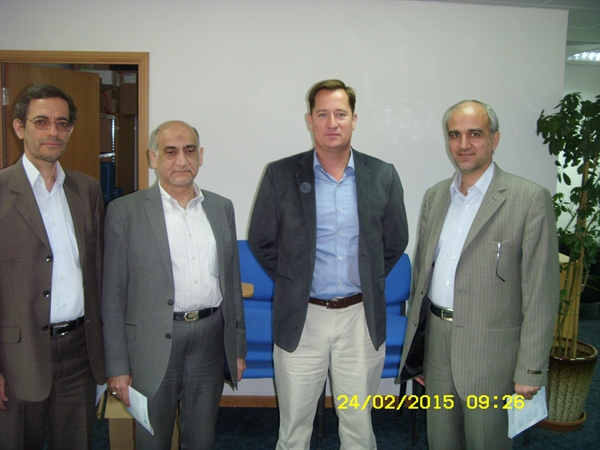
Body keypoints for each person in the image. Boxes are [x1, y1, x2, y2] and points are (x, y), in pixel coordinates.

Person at [249, 79, 408, 449]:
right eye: (322, 114)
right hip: (302, 318)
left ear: (354, 119)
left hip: (360, 318)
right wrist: (294, 280)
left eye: (340, 114)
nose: (332, 123)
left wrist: (367, 276)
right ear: (310, 120)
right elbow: (262, 239)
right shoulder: (280, 175)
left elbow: (395, 241)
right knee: (294, 429)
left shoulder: (383, 174)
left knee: (358, 427)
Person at [398, 100, 559, 449]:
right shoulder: (435, 197)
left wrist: (531, 368)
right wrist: (419, 351)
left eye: (475, 134)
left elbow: (541, 295)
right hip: (438, 344)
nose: (464, 144)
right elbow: (422, 282)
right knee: (441, 441)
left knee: (487, 442)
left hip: (493, 354)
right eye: (455, 135)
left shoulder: (529, 199)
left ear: (494, 139)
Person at [102, 120, 246, 449]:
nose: (181, 160)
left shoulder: (221, 208)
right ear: (153, 157)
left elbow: (232, 283)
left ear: (201, 156)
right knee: (152, 439)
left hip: (210, 340)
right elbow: (112, 296)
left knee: (202, 437)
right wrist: (118, 366)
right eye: (170, 151)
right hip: (151, 343)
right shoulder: (125, 212)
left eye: (189, 150)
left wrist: (236, 349)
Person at [0, 83, 105, 449]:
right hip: (17, 356)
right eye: (41, 122)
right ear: (19, 127)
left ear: (70, 130)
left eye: (62, 124)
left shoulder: (87, 190)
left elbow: (97, 272)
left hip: (79, 352)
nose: (53, 132)